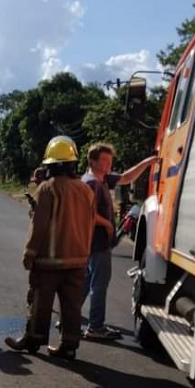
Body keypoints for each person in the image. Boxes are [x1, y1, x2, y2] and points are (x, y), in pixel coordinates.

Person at [4, 136, 96, 360]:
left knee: (39, 303)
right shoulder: (85, 190)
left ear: (51, 165)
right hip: (78, 260)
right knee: (71, 307)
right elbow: (90, 223)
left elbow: (39, 225)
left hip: (48, 262)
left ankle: (33, 339)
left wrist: (29, 254)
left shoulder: (47, 189)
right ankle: (69, 346)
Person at [80, 143, 158, 340]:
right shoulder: (91, 183)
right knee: (99, 284)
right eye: (104, 160)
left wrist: (147, 163)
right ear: (93, 161)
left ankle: (69, 317)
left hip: (94, 242)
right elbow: (88, 213)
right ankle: (95, 327)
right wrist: (107, 224)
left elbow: (126, 177)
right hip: (97, 242)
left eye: (110, 160)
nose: (109, 164)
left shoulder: (102, 178)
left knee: (87, 280)